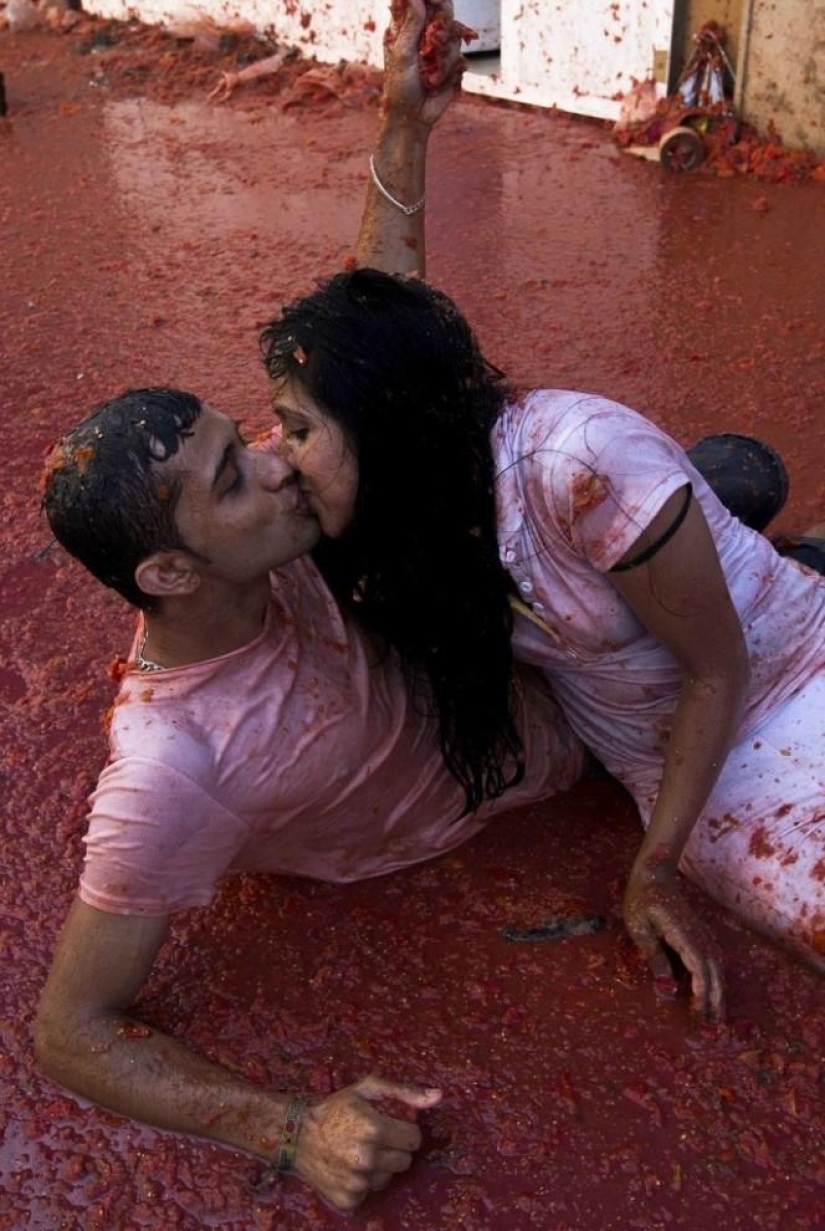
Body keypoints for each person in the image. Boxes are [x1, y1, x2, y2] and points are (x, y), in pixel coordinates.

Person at [34, 6, 587, 1214]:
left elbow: (365, 349)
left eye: (253, 440)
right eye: (236, 477)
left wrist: (403, 125)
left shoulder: (268, 533)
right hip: (544, 770)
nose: (281, 464)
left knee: (710, 484)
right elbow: (70, 1031)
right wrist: (287, 1128)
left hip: (518, 663)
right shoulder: (172, 769)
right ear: (171, 576)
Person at [260, 60, 825, 1011]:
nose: (277, 454)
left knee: (694, 514)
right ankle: (729, 500)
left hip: (774, 674)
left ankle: (766, 532)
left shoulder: (576, 460)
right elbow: (368, 329)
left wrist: (650, 872)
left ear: (380, 426)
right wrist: (401, 129)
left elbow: (716, 669)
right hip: (667, 756)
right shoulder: (383, 495)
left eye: (298, 428)